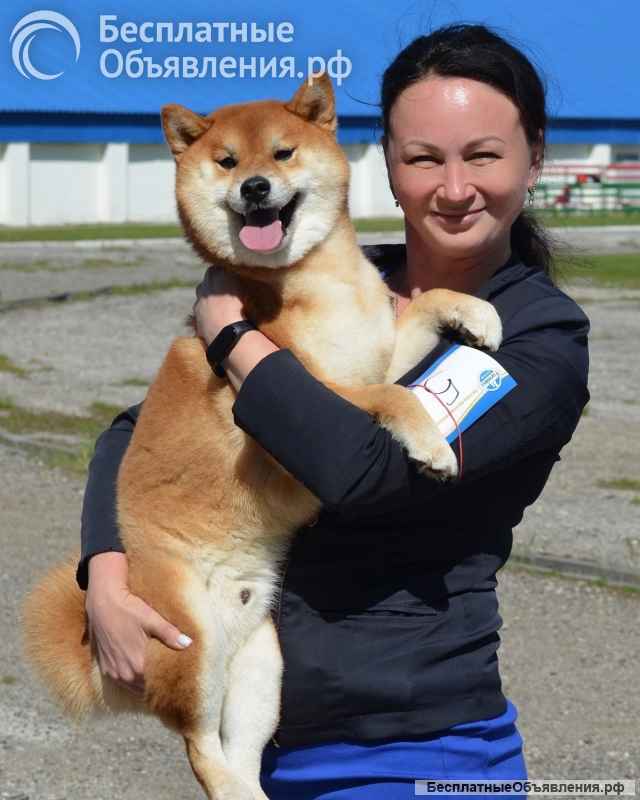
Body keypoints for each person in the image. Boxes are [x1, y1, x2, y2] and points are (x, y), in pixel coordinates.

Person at [78, 24, 590, 800]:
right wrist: (106, 576)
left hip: (419, 746)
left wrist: (234, 340)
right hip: (278, 733)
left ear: (535, 156)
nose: (455, 187)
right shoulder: (332, 276)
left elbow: (363, 469)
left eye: (483, 154)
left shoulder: (538, 337)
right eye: (424, 158)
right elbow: (134, 429)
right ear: (385, 163)